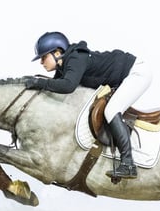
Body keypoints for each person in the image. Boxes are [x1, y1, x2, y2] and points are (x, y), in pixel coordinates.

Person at [24, 31, 152, 180]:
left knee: (111, 110)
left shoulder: (76, 58)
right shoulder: (64, 67)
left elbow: (68, 86)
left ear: (57, 52)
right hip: (125, 76)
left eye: (43, 57)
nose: (41, 62)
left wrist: (39, 82)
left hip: (137, 73)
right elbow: (57, 90)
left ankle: (129, 164)